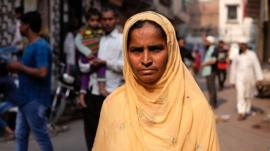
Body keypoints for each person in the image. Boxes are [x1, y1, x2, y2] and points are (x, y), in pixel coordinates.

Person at [92, 11, 219, 151]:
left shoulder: (196, 109)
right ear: (126, 54)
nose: (146, 60)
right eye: (136, 50)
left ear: (171, 51)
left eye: (155, 49)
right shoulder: (113, 105)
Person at [8, 11, 54, 151]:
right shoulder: (29, 45)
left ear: (27, 26)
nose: (19, 27)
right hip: (25, 99)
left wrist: (20, 67)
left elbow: (42, 72)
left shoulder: (40, 46)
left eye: (21, 24)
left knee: (41, 137)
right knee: (20, 135)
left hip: (35, 100)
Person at [81, 6, 124, 150]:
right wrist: (90, 65)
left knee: (111, 136)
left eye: (109, 19)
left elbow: (126, 66)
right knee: (91, 135)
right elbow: (83, 64)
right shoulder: (96, 38)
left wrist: (106, 63)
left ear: (116, 20)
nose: (106, 22)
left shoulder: (122, 40)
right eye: (103, 19)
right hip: (92, 92)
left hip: (111, 93)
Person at [75, 8, 106, 108]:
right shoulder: (83, 30)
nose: (95, 23)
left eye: (97, 20)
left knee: (102, 68)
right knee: (85, 76)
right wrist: (87, 52)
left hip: (96, 55)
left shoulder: (101, 30)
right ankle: (82, 96)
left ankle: (101, 88)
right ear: (87, 21)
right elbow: (77, 42)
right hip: (86, 56)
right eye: (92, 20)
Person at [230, 40, 263, 121]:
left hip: (250, 78)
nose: (242, 46)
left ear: (246, 45)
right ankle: (241, 112)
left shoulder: (252, 55)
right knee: (240, 95)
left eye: (243, 44)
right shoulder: (237, 56)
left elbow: (256, 66)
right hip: (239, 78)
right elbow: (233, 69)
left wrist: (259, 78)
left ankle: (247, 110)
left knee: (248, 96)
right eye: (240, 45)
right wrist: (232, 81)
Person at [201, 36, 218, 109]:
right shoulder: (209, 48)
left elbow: (214, 61)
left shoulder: (214, 49)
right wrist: (204, 39)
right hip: (207, 71)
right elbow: (204, 43)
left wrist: (204, 64)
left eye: (207, 41)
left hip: (211, 71)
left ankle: (213, 104)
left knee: (212, 88)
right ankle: (212, 103)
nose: (205, 43)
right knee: (209, 88)